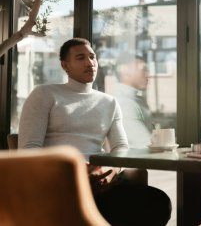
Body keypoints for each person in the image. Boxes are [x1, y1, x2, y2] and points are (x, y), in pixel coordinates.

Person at [18, 38, 171, 226]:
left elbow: (121, 147)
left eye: (92, 57)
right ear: (65, 65)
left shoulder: (109, 102)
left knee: (158, 202)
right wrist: (77, 168)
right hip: (60, 183)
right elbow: (29, 149)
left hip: (100, 181)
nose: (90, 63)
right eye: (81, 57)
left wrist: (111, 169)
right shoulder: (45, 94)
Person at [114, 50, 153, 148]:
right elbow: (145, 145)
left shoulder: (136, 100)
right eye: (143, 69)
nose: (148, 75)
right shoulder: (124, 104)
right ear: (125, 71)